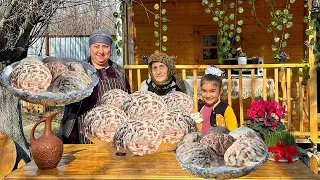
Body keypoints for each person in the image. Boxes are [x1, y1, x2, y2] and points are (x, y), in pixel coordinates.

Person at [59, 29, 131, 144]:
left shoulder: (119, 73)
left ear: (110, 49)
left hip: (113, 138)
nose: (101, 51)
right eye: (96, 46)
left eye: (105, 46)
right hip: (82, 137)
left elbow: (128, 103)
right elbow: (64, 97)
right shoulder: (78, 70)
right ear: (90, 48)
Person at [200, 66, 238, 133]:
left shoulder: (226, 108)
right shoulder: (201, 108)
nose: (208, 95)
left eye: (212, 91)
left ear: (220, 91)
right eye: (204, 91)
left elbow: (234, 131)